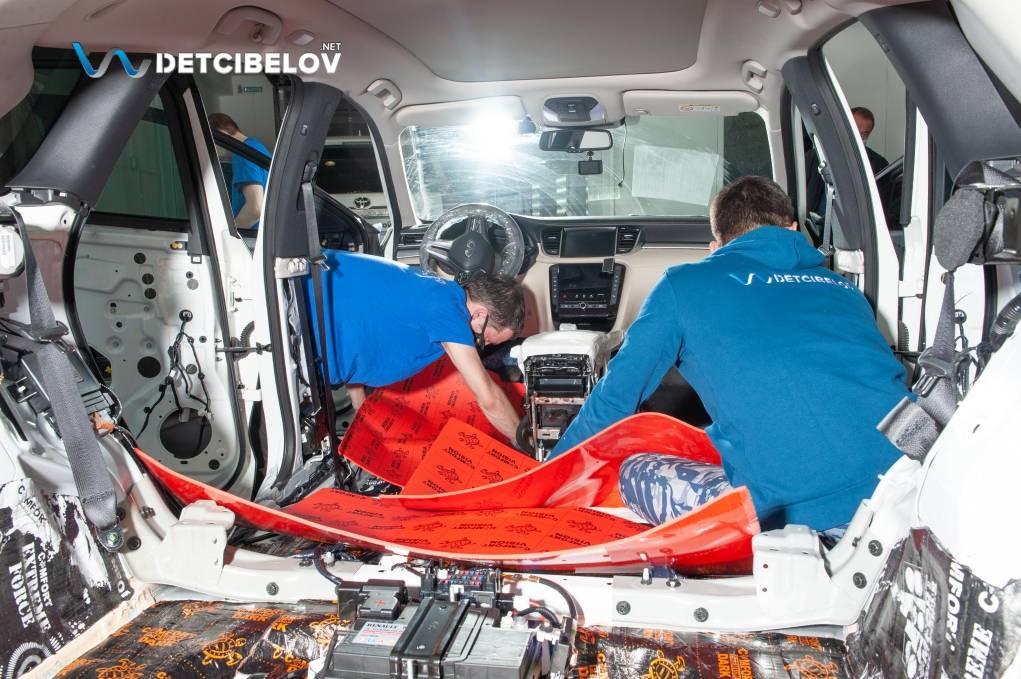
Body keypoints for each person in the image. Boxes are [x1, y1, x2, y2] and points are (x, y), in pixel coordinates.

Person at [549, 176, 909, 534]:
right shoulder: (845, 290)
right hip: (903, 489)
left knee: (634, 471)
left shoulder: (683, 284)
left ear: (715, 246)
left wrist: (548, 479)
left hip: (792, 518)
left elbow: (614, 400)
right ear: (793, 230)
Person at [312, 250, 525, 442]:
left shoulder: (432, 287)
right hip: (301, 334)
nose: (480, 345)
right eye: (486, 339)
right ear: (480, 315)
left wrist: (359, 403)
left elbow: (361, 319)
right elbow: (489, 398)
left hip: (305, 305)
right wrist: (525, 443)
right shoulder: (449, 311)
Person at [208, 113, 270, 229]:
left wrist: (232, 234)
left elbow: (255, 209)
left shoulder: (242, 155)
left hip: (251, 235)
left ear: (220, 134)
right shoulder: (257, 147)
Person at [851, 106, 889, 175]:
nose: (857, 136)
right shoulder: (829, 157)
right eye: (854, 129)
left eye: (864, 133)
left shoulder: (880, 164)